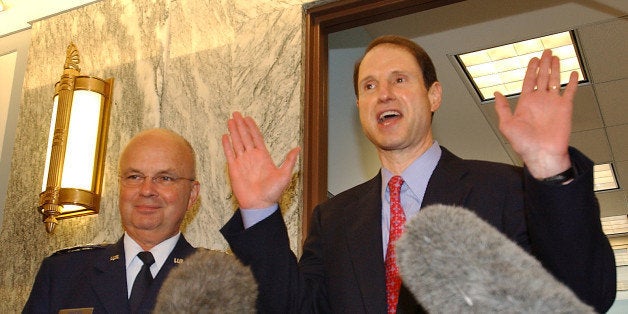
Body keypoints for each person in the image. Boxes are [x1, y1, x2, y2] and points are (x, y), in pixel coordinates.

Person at [220, 35, 616, 313]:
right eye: (369, 85)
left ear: (434, 96)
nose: (384, 94)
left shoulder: (503, 189)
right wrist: (258, 213)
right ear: (360, 106)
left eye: (399, 80)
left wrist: (549, 170)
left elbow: (584, 295)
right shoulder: (334, 218)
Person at [23, 128, 201, 313]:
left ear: (192, 194)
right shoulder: (62, 273)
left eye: (165, 178)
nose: (146, 190)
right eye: (134, 177)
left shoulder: (218, 280)